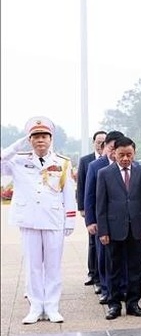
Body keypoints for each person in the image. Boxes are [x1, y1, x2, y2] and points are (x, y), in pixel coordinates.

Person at [1, 116, 76, 324]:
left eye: (44, 136)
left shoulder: (62, 162)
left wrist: (69, 220)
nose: (40, 140)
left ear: (51, 138)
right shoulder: (17, 160)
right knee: (33, 266)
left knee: (53, 266)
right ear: (29, 139)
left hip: (53, 219)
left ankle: (52, 306)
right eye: (35, 136)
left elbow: (68, 193)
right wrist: (17, 146)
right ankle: (35, 307)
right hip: (29, 220)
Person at [96, 136, 141, 320]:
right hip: (114, 229)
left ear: (134, 153)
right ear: (114, 154)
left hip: (137, 228)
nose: (126, 158)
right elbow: (101, 205)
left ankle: (133, 303)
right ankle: (114, 305)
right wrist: (103, 231)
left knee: (135, 268)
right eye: (122, 155)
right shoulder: (104, 173)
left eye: (129, 154)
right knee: (114, 268)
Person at [84, 130, 126, 305]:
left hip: (123, 221)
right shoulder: (96, 166)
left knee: (122, 256)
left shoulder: (127, 165)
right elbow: (89, 195)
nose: (114, 151)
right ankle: (106, 288)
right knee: (104, 257)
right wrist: (91, 221)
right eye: (111, 147)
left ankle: (123, 288)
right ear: (105, 147)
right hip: (103, 220)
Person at [78, 130, 106, 288]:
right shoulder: (86, 160)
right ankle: (92, 272)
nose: (101, 145)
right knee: (92, 242)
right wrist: (82, 207)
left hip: (106, 209)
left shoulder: (111, 159)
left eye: (104, 142)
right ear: (94, 143)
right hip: (92, 208)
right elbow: (82, 185)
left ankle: (101, 276)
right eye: (98, 142)